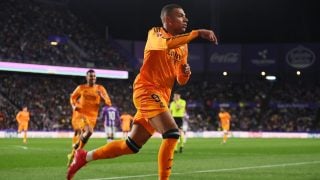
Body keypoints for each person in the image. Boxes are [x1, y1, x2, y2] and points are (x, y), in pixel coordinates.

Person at [67, 4, 217, 180]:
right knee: (172, 134)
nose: (186, 19)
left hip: (161, 96)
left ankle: (84, 156)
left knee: (130, 146)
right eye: (181, 16)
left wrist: (184, 72)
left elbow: (181, 80)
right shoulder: (155, 33)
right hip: (146, 90)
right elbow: (167, 44)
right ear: (168, 19)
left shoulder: (183, 47)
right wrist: (197, 33)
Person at [67, 69, 112, 167]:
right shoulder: (81, 88)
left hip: (92, 116)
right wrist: (74, 106)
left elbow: (109, 102)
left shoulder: (100, 88)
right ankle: (77, 153)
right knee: (89, 131)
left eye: (94, 76)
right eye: (91, 76)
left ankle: (74, 154)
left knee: (85, 134)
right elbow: (72, 97)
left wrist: (103, 97)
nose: (93, 78)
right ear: (87, 77)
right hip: (81, 113)